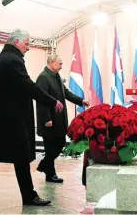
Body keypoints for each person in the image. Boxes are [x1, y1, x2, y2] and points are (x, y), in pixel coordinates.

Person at [0, 29, 64, 206]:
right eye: (26, 43)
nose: (28, 47)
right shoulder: (12, 60)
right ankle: (28, 196)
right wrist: (52, 102)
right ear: (16, 42)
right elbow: (28, 86)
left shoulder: (6, 58)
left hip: (4, 118)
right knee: (19, 156)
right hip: (12, 119)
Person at [36, 55, 90, 183]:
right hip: (49, 121)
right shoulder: (43, 77)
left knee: (59, 144)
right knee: (50, 148)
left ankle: (45, 167)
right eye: (60, 64)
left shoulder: (56, 77)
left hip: (59, 120)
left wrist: (81, 101)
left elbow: (66, 93)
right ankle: (50, 174)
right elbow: (41, 100)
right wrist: (46, 119)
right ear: (52, 63)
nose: (61, 66)